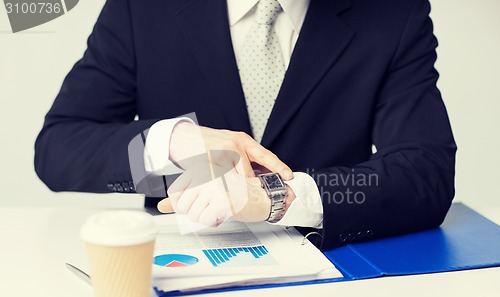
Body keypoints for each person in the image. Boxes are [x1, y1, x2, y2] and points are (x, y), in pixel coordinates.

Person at [34, 0, 456, 250]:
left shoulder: (393, 11)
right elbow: (58, 148)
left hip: (328, 271)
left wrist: (284, 196)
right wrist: (170, 140)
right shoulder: (143, 6)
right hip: (181, 271)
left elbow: (427, 172)